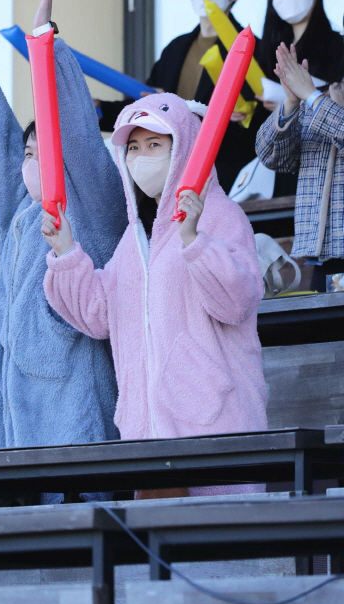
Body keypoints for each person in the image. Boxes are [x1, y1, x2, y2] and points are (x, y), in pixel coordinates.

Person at [42, 94, 268, 484]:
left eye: (154, 144)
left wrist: (195, 241)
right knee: (156, 544)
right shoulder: (134, 238)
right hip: (145, 438)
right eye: (133, 147)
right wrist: (65, 254)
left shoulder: (221, 215)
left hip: (215, 430)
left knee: (221, 539)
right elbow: (98, 315)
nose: (141, 156)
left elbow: (236, 303)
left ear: (183, 147)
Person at [0, 0, 122, 450]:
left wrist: (46, 47)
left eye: (43, 153)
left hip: (78, 417)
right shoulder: (18, 213)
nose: (31, 163)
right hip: (15, 417)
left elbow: (79, 136)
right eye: (29, 155)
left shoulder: (95, 210)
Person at [139, 0, 262, 190]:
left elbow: (260, 116)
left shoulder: (250, 47)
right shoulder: (176, 48)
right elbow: (146, 98)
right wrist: (102, 108)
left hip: (225, 174)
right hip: (173, 172)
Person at [256, 43, 344, 291]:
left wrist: (311, 96)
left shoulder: (316, 99)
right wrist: (292, 102)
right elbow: (269, 155)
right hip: (327, 258)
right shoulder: (323, 97)